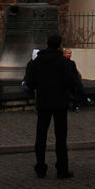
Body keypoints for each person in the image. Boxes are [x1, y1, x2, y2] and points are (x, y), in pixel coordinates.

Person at [24, 32, 79, 179]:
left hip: (43, 102)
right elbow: (71, 82)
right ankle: (62, 168)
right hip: (60, 102)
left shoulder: (37, 62)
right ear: (60, 45)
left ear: (47, 43)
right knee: (61, 138)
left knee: (41, 136)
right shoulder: (64, 62)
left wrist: (41, 87)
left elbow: (29, 82)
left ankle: (40, 167)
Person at [62, 47, 91, 112]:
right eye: (68, 53)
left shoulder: (72, 62)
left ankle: (76, 105)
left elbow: (75, 72)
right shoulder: (62, 62)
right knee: (77, 86)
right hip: (66, 81)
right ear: (64, 54)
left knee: (76, 87)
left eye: (70, 53)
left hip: (72, 81)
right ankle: (85, 98)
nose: (69, 55)